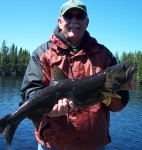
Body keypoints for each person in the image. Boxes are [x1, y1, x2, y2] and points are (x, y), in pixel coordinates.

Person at [20, 0, 136, 150]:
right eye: (69, 16)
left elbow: (117, 107)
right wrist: (48, 109)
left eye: (80, 16)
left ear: (87, 22)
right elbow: (29, 92)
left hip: (94, 144)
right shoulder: (42, 54)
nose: (74, 20)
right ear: (60, 21)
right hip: (53, 144)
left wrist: (121, 89)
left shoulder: (105, 55)